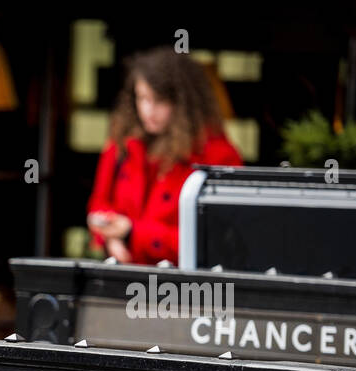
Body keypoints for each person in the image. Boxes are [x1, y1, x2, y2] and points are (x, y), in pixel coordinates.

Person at [87, 47, 242, 265]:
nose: (148, 110)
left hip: (183, 289)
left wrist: (134, 234)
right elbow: (99, 203)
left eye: (159, 101)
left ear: (182, 104)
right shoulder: (122, 143)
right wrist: (110, 238)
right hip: (124, 279)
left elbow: (215, 239)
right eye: (142, 98)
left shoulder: (218, 156)